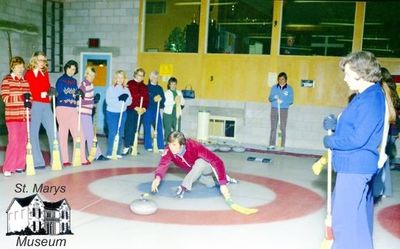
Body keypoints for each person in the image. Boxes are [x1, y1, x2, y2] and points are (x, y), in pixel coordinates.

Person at [322, 51, 393, 249]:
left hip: (355, 168)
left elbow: (358, 138)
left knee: (344, 221)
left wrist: (331, 141)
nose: (344, 79)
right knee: (358, 221)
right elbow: (355, 126)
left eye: (347, 73)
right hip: (355, 167)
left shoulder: (371, 99)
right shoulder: (366, 96)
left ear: (361, 74)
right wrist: (335, 124)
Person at [151, 131, 235, 199]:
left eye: (174, 145)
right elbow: (163, 164)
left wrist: (223, 184)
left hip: (206, 166)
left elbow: (217, 161)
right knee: (210, 184)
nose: (171, 147)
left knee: (200, 162)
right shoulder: (168, 151)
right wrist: (158, 178)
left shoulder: (194, 146)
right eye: (169, 144)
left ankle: (183, 187)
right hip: (194, 172)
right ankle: (219, 179)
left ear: (182, 144)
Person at [372, 67, 399, 200]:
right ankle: (383, 189)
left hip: (387, 130)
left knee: (381, 160)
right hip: (393, 130)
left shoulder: (382, 92)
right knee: (385, 160)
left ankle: (381, 188)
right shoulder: (392, 91)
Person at [1, 56, 31, 176]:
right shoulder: (6, 80)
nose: (21, 68)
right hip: (12, 117)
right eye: (18, 66)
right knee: (13, 141)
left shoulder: (25, 81)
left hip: (24, 116)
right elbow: (5, 98)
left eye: (22, 66)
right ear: (12, 67)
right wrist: (21, 98)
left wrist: (29, 101)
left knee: (23, 141)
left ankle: (19, 165)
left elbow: (30, 96)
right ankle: (8, 167)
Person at [24, 51, 55, 169]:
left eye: (44, 60)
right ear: (35, 60)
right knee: (33, 133)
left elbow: (47, 87)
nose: (43, 62)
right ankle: (37, 161)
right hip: (35, 104)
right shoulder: (29, 74)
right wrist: (41, 93)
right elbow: (29, 89)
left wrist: (50, 91)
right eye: (41, 60)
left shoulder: (45, 73)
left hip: (46, 104)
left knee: (53, 132)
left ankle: (56, 159)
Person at [55, 60, 87, 166]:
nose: (71, 71)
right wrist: (74, 94)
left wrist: (80, 94)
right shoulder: (60, 80)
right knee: (63, 134)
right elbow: (60, 94)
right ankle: (64, 159)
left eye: (74, 69)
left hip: (73, 109)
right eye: (70, 68)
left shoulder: (74, 81)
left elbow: (78, 95)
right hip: (62, 108)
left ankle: (81, 158)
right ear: (66, 68)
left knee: (79, 134)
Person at [79, 67, 106, 162]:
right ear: (86, 74)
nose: (92, 77)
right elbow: (80, 102)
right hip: (82, 113)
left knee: (87, 135)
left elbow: (89, 101)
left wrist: (94, 101)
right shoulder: (83, 85)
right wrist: (92, 101)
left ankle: (92, 154)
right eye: (90, 75)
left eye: (94, 76)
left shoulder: (91, 85)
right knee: (89, 135)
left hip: (88, 113)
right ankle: (96, 154)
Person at [105, 70, 132, 158]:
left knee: (120, 133)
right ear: (115, 78)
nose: (120, 79)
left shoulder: (126, 89)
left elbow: (129, 102)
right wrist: (119, 99)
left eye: (122, 77)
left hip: (122, 113)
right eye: (118, 77)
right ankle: (110, 152)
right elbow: (109, 102)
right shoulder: (111, 88)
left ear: (124, 79)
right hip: (112, 113)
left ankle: (117, 152)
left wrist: (126, 99)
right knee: (113, 132)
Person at [123, 68, 149, 154]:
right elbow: (127, 97)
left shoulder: (144, 87)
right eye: (139, 75)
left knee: (136, 129)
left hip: (140, 111)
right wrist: (134, 107)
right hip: (130, 110)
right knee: (129, 128)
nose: (140, 77)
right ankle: (126, 147)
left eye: (142, 76)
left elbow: (146, 100)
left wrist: (144, 108)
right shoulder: (129, 84)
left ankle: (133, 147)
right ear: (135, 74)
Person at [267, 72, 293, 150]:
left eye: (282, 79)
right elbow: (270, 98)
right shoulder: (274, 87)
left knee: (282, 127)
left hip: (284, 110)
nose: (281, 81)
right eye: (279, 79)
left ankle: (281, 145)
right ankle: (272, 144)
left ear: (286, 80)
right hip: (274, 108)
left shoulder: (289, 89)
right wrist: (274, 97)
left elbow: (291, 100)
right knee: (273, 127)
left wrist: (283, 102)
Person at [143, 70, 165, 152]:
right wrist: (153, 99)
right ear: (150, 78)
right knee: (147, 127)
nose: (155, 79)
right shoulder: (146, 87)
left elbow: (163, 101)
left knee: (159, 127)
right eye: (153, 77)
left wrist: (160, 100)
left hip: (156, 110)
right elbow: (145, 99)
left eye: (156, 77)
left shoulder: (159, 88)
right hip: (148, 110)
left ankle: (160, 146)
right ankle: (148, 145)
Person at [163, 77, 185, 142]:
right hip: (168, 113)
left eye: (175, 84)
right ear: (169, 84)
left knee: (177, 129)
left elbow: (183, 102)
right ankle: (167, 143)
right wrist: (175, 101)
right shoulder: (166, 93)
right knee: (168, 129)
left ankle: (177, 142)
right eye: (172, 84)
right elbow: (165, 103)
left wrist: (180, 100)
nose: (173, 85)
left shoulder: (179, 92)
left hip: (177, 112)